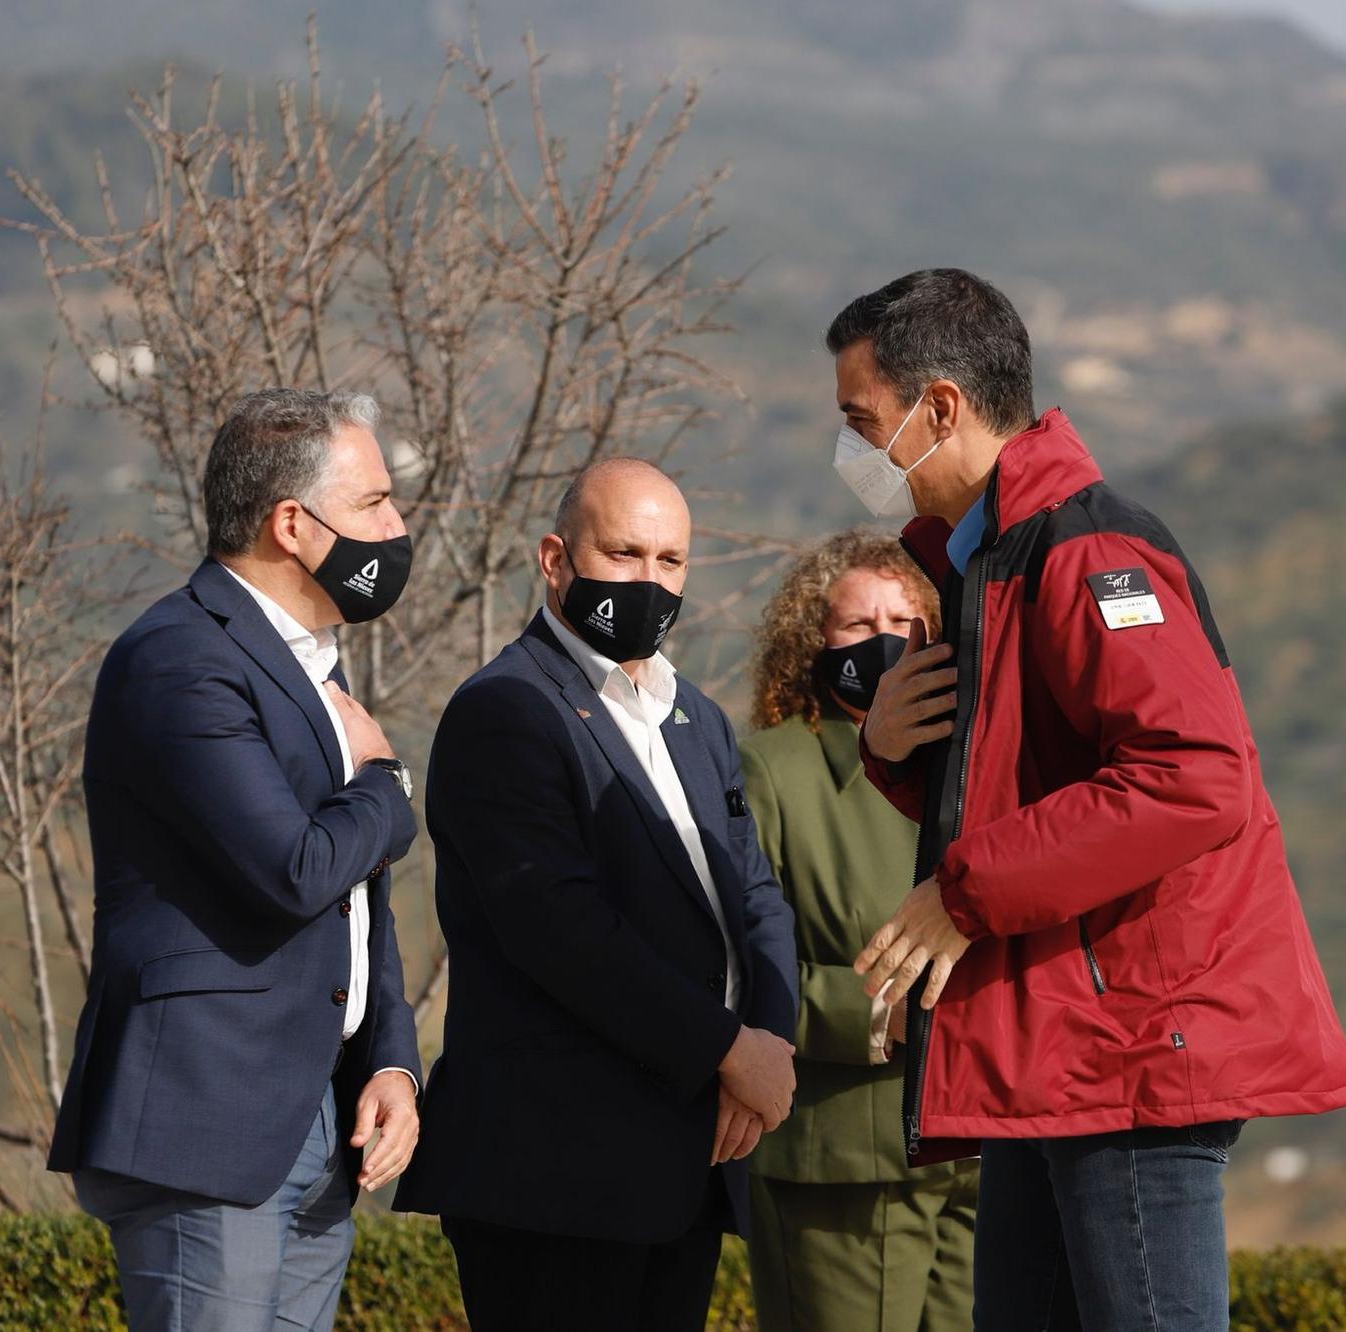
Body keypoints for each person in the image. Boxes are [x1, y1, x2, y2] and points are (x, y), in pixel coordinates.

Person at [829, 269, 1346, 1331]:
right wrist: (892, 750)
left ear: (938, 408)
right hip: (1056, 1048)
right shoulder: (982, 564)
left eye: (860, 421)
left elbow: (1190, 778)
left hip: (1127, 1050)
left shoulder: (1089, 555)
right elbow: (1017, 783)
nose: (850, 453)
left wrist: (963, 895)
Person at [48, 388, 425, 1332]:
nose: (397, 525)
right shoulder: (178, 658)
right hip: (206, 1125)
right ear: (292, 525)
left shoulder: (312, 666)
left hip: (321, 1125)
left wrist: (391, 1064)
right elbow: (295, 868)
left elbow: (352, 903)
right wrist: (388, 784)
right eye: (374, 503)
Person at [394, 457, 799, 1332]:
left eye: (671, 561)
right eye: (624, 553)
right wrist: (729, 1050)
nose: (650, 581)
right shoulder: (506, 711)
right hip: (556, 1176)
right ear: (555, 559)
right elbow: (563, 931)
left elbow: (754, 894)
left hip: (684, 1159)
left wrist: (768, 1042)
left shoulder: (697, 717)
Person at [739, 530, 977, 1332]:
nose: (884, 642)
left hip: (981, 1153)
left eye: (906, 621)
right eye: (856, 625)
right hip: (841, 1161)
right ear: (813, 641)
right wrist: (880, 1015)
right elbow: (734, 966)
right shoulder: (769, 768)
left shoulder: (977, 766)